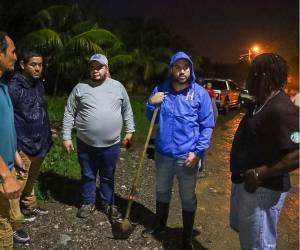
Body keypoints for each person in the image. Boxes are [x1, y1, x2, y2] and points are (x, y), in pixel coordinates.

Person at [144, 51, 215, 250]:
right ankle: (159, 226)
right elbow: (151, 118)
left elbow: (207, 125)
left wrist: (198, 152)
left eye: (186, 67)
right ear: (172, 69)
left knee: (187, 196)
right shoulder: (161, 89)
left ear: (190, 69)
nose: (182, 71)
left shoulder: (199, 93)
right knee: (162, 190)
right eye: (178, 67)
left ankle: (186, 238)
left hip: (187, 157)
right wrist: (151, 103)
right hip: (164, 154)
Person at [229, 53, 299, 250]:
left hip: (263, 189)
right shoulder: (261, 102)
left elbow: (297, 154)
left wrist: (261, 173)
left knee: (258, 245)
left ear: (267, 76)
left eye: (254, 74)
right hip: (247, 184)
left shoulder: (281, 109)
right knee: (249, 240)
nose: (249, 78)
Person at [62, 53, 135, 219]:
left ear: (106, 68)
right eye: (92, 67)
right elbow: (69, 112)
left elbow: (127, 111)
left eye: (99, 67)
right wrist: (66, 137)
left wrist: (130, 131)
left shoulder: (118, 87)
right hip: (85, 142)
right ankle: (88, 202)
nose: (95, 70)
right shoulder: (80, 88)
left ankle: (108, 203)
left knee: (107, 175)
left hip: (111, 144)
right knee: (88, 174)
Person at [8, 49, 53, 243]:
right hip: (24, 145)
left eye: (40, 65)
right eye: (33, 64)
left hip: (41, 142)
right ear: (23, 65)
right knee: (16, 185)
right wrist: (15, 146)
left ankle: (29, 205)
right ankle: (14, 224)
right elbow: (8, 117)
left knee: (31, 179)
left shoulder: (38, 84)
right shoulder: (12, 86)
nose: (37, 68)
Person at [0, 31, 22, 250]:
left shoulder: (3, 88)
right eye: (12, 51)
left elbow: (5, 127)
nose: (16, 57)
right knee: (3, 232)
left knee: (7, 222)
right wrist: (6, 176)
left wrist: (14, 153)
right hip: (1, 174)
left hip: (6, 167)